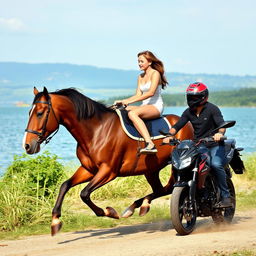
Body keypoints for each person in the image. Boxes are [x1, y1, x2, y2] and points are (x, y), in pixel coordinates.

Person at [164, 82, 232, 207]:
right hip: (199, 145)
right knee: (186, 164)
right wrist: (169, 136)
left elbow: (221, 126)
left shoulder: (212, 109)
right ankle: (197, 191)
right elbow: (177, 126)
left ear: (203, 97)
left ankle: (225, 196)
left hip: (215, 144)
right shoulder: (188, 112)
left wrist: (219, 134)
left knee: (215, 164)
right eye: (190, 97)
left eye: (194, 97)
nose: (191, 100)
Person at [114, 50, 168, 154]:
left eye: (142, 61)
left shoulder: (155, 73)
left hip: (155, 106)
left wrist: (127, 101)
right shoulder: (140, 77)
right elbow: (138, 95)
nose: (139, 64)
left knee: (132, 113)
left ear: (150, 62)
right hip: (145, 106)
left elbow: (150, 93)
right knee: (119, 110)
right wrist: (123, 102)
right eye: (138, 61)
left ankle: (150, 144)